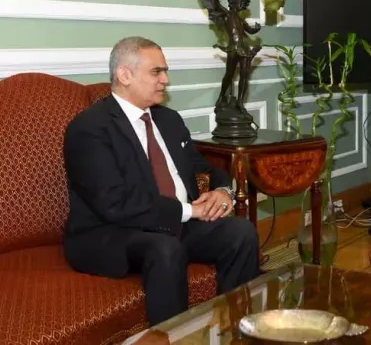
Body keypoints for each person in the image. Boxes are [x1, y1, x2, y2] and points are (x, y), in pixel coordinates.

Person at [62, 36, 260, 325]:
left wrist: (222, 190)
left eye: (165, 71)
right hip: (112, 234)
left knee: (240, 232)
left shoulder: (168, 120)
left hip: (174, 223)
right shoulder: (89, 128)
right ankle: (172, 337)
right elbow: (114, 203)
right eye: (156, 72)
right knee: (165, 249)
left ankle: (237, 329)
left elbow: (201, 167)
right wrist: (190, 211)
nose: (165, 80)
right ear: (125, 75)